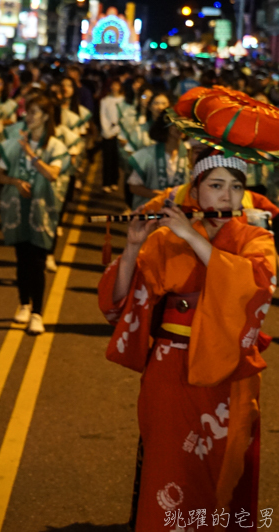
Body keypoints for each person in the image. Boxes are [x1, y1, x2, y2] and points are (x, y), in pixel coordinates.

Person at [98, 148, 274, 531]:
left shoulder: (256, 238)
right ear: (195, 191)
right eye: (216, 185)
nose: (226, 196)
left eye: (236, 187)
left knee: (221, 475)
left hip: (228, 374)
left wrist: (191, 238)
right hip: (171, 372)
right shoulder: (166, 238)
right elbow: (122, 304)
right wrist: (132, 247)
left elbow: (257, 285)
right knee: (169, 472)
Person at [0, 93, 68, 335]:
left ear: (46, 117)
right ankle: (24, 304)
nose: (29, 116)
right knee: (22, 259)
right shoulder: (14, 143)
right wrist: (15, 181)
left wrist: (31, 154)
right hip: (18, 210)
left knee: (37, 261)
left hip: (42, 211)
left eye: (35, 112)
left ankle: (37, 312)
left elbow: (52, 174)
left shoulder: (55, 145)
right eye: (28, 111)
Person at [126, 111, 191, 210]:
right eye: (176, 124)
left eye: (185, 124)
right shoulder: (147, 154)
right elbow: (134, 187)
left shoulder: (190, 155)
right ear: (166, 126)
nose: (181, 128)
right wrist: (164, 196)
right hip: (150, 211)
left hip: (179, 213)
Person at [100, 79, 125, 193]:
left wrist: (117, 130)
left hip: (119, 133)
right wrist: (107, 131)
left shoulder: (123, 100)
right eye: (113, 85)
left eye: (117, 85)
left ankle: (114, 181)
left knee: (116, 159)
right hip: (107, 133)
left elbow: (124, 117)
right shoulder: (105, 100)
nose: (115, 87)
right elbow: (103, 116)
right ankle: (106, 182)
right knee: (107, 159)